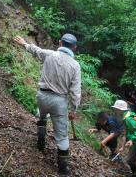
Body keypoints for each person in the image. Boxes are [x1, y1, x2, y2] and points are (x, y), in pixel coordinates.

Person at [13, 34, 81, 175]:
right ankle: (63, 168)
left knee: (42, 115)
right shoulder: (75, 66)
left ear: (60, 43)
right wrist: (73, 110)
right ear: (74, 48)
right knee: (62, 136)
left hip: (42, 96)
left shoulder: (50, 55)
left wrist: (24, 44)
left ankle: (41, 140)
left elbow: (36, 50)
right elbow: (75, 92)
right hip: (59, 102)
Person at [113, 100, 136, 177]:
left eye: (115, 109)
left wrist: (131, 139)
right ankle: (135, 173)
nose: (115, 110)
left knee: (129, 160)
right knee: (132, 159)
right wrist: (123, 146)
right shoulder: (127, 116)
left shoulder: (128, 119)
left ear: (119, 110)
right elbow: (128, 132)